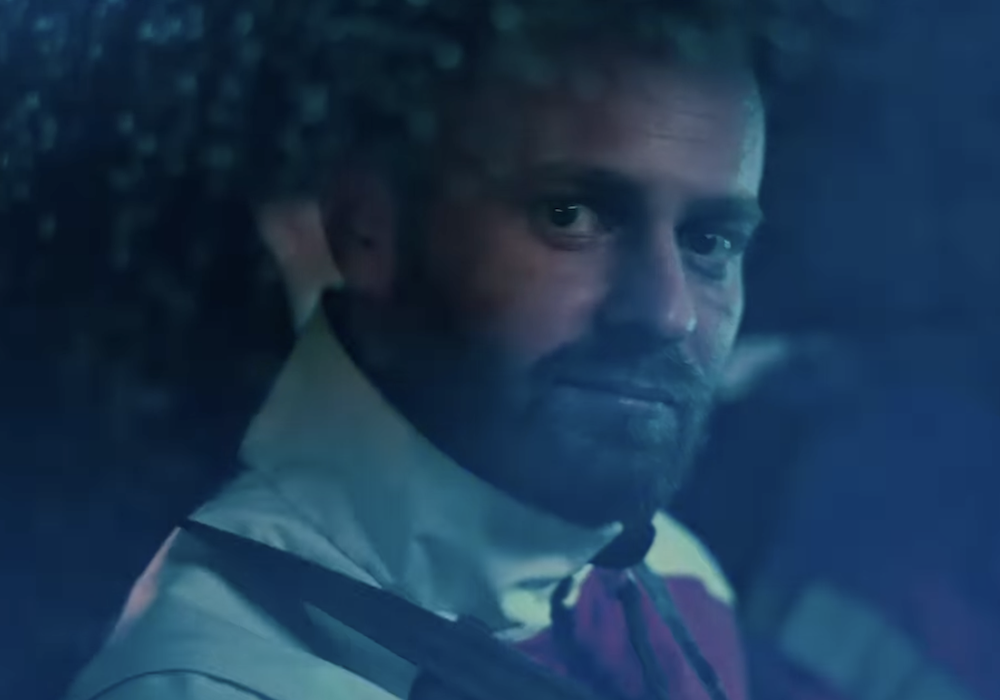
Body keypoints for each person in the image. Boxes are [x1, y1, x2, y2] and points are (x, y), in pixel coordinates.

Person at [65, 2, 767, 699]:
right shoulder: (208, 683)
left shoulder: (678, 580)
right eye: (568, 215)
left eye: (710, 241)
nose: (667, 313)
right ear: (368, 229)